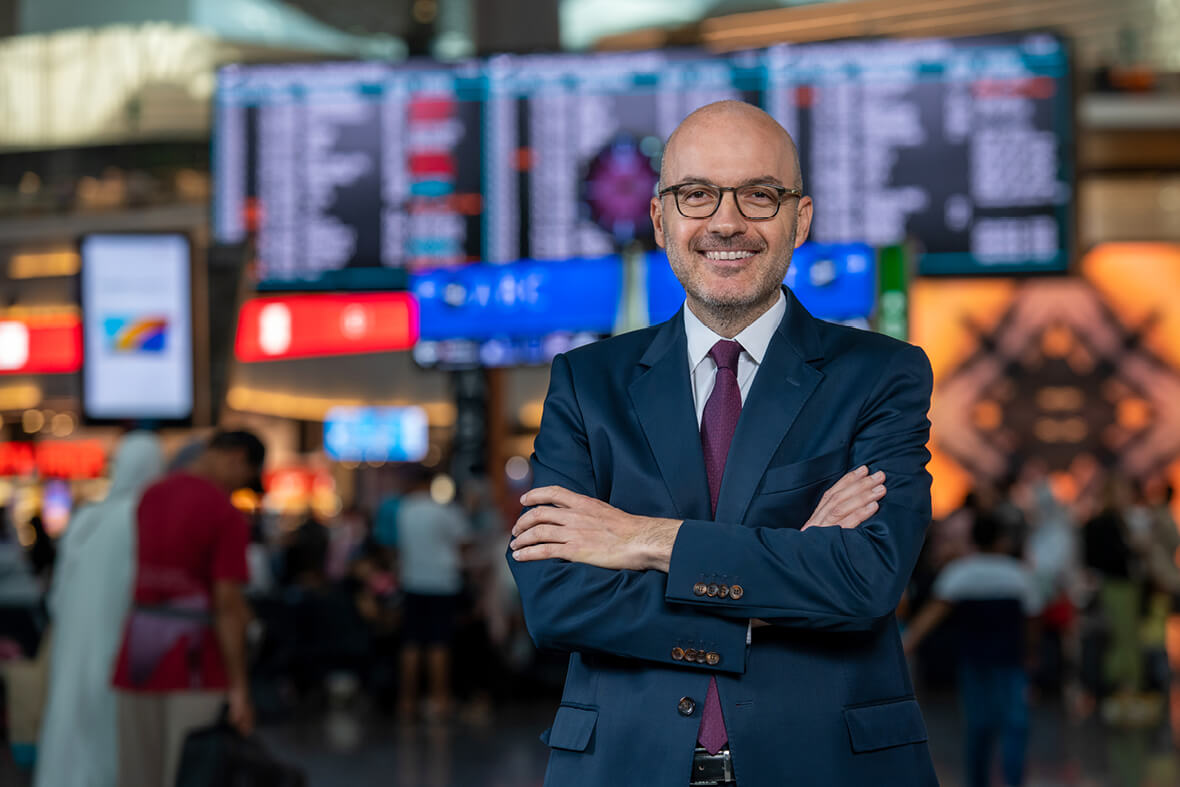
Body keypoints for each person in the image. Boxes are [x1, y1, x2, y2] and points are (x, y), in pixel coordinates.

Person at [507, 100, 936, 787]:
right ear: (660, 219)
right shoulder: (587, 384)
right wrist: (764, 604)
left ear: (800, 219)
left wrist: (644, 539)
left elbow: (864, 578)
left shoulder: (881, 375)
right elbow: (555, 595)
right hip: (624, 766)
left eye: (760, 195)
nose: (726, 221)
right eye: (697, 194)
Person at [110, 430, 265, 787]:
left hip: (138, 655)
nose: (240, 486)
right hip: (195, 661)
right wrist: (239, 687)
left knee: (136, 772)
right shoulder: (224, 513)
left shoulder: (151, 496)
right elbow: (226, 605)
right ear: (237, 458)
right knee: (188, 771)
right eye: (245, 478)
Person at [35, 432, 164, 787]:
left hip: (73, 641)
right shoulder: (143, 518)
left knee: (71, 721)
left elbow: (56, 596)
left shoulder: (87, 519)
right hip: (120, 642)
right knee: (110, 730)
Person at [903, 512, 1042, 787]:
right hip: (1009, 661)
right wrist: (1031, 653)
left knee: (978, 729)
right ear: (1002, 541)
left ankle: (977, 781)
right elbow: (1033, 620)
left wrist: (906, 643)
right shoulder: (1019, 575)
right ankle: (1013, 781)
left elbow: (931, 615)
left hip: (973, 661)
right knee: (1014, 726)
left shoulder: (960, 573)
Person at [395, 464, 471, 722]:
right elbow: (463, 544)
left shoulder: (404, 511)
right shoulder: (445, 511)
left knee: (411, 643)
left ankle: (407, 702)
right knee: (439, 643)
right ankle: (439, 700)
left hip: (412, 581)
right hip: (442, 583)